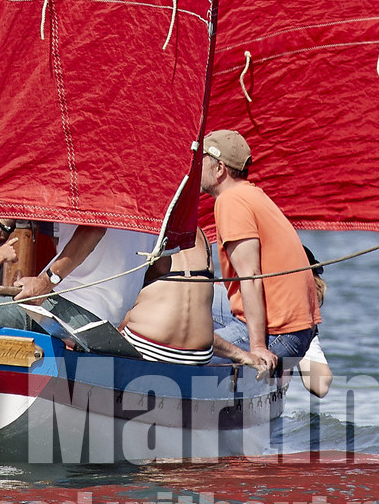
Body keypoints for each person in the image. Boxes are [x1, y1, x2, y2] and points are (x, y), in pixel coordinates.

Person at [202, 130, 321, 381]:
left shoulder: (230, 201)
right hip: (294, 326)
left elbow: (252, 277)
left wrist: (257, 347)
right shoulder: (252, 193)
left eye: (200, 160)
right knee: (182, 305)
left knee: (181, 352)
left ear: (219, 168)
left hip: (280, 334)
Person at [14, 222, 156, 327]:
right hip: (108, 321)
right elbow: (162, 266)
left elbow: (94, 229)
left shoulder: (97, 182)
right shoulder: (156, 191)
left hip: (70, 303)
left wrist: (45, 282)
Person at [118, 219, 217, 365]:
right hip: (198, 357)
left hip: (145, 348)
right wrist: (240, 354)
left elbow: (118, 307)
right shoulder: (201, 237)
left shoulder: (142, 229)